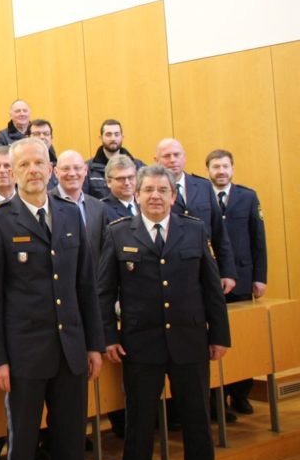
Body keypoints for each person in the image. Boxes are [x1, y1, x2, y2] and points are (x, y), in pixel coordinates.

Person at [0, 137, 104, 460]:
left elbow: (85, 286)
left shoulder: (68, 214)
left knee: (71, 440)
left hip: (71, 351)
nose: (33, 170)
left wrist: (94, 344)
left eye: (39, 163)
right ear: (12, 174)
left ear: (51, 168)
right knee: (24, 444)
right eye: (24, 165)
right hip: (24, 355)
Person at [98, 164, 230, 460]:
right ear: (137, 194)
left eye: (163, 190)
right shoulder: (118, 232)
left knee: (197, 421)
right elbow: (103, 291)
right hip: (141, 345)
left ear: (173, 196)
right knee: (139, 423)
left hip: (191, 341)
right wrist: (109, 336)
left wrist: (220, 335)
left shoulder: (195, 230)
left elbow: (212, 288)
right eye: (148, 190)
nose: (155, 196)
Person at [207, 148, 267, 415]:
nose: (221, 171)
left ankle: (240, 394)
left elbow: (259, 240)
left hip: (242, 279)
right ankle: (217, 399)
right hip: (211, 281)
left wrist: (260, 277)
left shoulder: (247, 196)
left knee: (242, 340)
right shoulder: (203, 196)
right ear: (208, 170)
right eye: (216, 167)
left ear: (232, 168)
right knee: (217, 338)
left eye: (225, 166)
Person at [155, 138, 237, 292]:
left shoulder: (203, 186)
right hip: (173, 269)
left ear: (184, 157)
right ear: (156, 160)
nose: (172, 160)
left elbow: (219, 233)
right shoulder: (153, 191)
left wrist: (228, 271)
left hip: (205, 265)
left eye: (176, 155)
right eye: (167, 156)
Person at [51, 150, 107, 258]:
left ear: (85, 170)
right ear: (56, 172)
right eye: (65, 169)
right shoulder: (46, 203)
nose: (72, 173)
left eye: (77, 168)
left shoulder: (99, 207)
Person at [86, 119, 144, 199]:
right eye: (108, 134)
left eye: (116, 134)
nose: (113, 138)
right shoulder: (88, 169)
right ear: (101, 137)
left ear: (122, 137)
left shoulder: (138, 166)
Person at [101, 155, 139, 222]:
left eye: (130, 177)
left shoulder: (144, 204)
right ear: (109, 182)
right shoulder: (102, 210)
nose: (127, 183)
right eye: (121, 179)